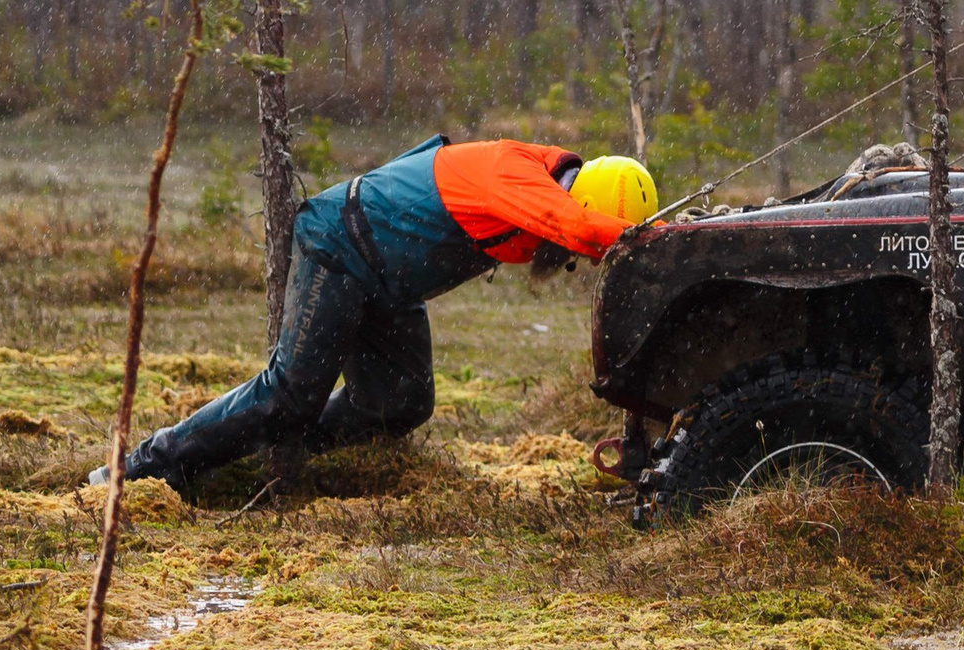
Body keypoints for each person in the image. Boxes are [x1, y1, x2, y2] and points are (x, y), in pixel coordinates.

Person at [94, 136, 658, 492]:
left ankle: (270, 458)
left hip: (389, 283)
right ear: (576, 199)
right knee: (289, 391)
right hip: (339, 245)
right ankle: (142, 469)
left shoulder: (542, 187)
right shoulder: (518, 175)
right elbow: (581, 229)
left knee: (401, 403)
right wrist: (647, 243)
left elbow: (575, 228)